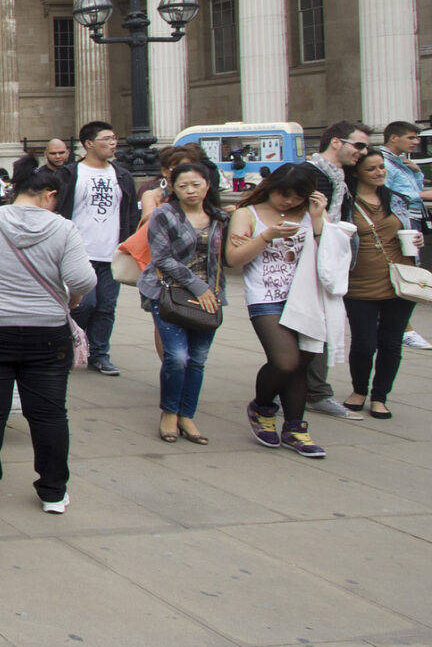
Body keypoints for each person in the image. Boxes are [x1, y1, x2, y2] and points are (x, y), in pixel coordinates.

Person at [0, 156, 94, 513]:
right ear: (50, 194)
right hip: (46, 331)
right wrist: (71, 297)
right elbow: (83, 280)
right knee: (48, 414)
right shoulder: (63, 229)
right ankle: (53, 491)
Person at [228, 164, 333, 458]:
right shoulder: (247, 214)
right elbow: (234, 258)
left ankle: (295, 427)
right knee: (285, 361)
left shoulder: (311, 214)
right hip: (265, 296)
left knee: (301, 363)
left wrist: (317, 219)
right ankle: (262, 407)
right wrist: (264, 237)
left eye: (297, 196)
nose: (288, 201)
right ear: (271, 187)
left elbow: (330, 254)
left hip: (306, 297)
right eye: (282, 194)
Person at [141, 161, 227, 444]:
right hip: (170, 292)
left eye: (196, 184)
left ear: (208, 185)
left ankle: (187, 415)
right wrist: (197, 286)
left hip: (210, 296)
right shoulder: (164, 215)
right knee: (177, 357)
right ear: (173, 188)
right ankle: (169, 412)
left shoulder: (219, 217)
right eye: (183, 186)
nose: (190, 191)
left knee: (198, 360)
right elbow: (161, 258)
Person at [56, 121, 138, 375]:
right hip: (79, 252)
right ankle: (73, 342)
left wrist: (129, 243)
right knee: (84, 304)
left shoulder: (121, 175)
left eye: (114, 138)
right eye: (106, 138)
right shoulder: (70, 174)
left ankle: (100, 354)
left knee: (106, 306)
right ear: (89, 143)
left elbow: (130, 213)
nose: (113, 143)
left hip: (111, 252)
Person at [342, 146, 417, 420]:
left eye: (381, 167)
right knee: (364, 344)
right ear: (357, 173)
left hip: (400, 281)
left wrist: (416, 240)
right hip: (359, 283)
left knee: (391, 342)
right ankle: (359, 390)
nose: (379, 173)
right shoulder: (345, 203)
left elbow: (411, 230)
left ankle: (380, 396)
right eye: (371, 169)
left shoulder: (396, 199)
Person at [379, 121, 432, 350]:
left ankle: (402, 326)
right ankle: (403, 328)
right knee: (401, 269)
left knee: (410, 267)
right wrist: (423, 194)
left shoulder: (399, 162)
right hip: (399, 222)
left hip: (411, 221)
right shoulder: (384, 162)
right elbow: (388, 193)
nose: (416, 142)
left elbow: (409, 188)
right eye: (411, 137)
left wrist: (417, 173)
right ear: (394, 138)